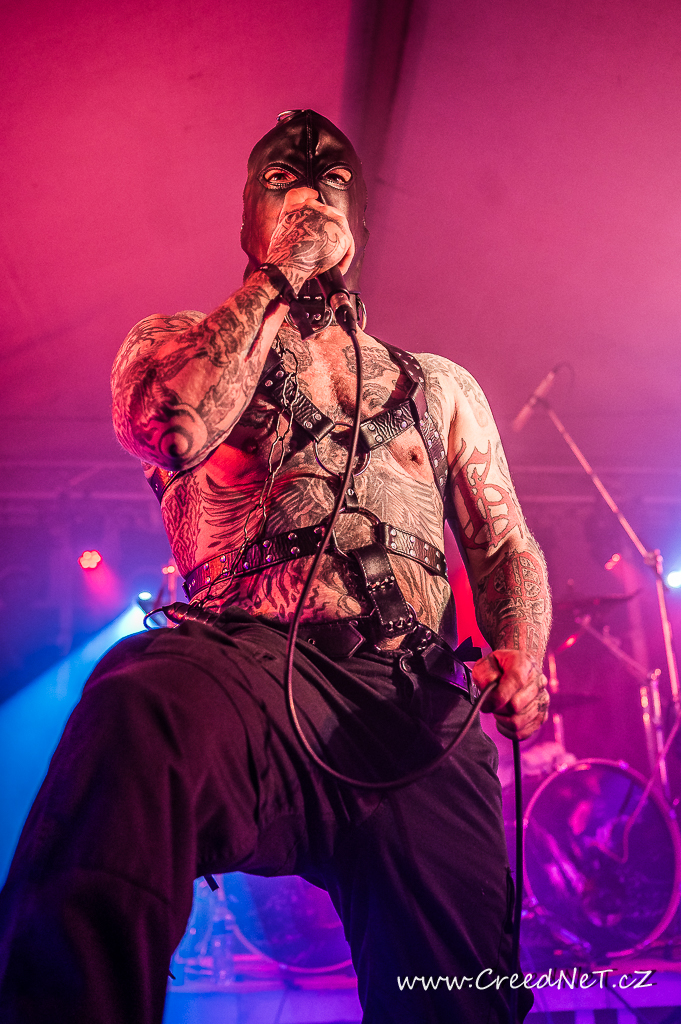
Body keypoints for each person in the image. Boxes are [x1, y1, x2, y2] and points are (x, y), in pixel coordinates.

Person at [0, 109, 551, 1023]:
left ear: (360, 224)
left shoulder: (441, 385)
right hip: (243, 664)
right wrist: (279, 274)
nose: (310, 194)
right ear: (248, 222)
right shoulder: (177, 339)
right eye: (282, 182)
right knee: (139, 704)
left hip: (412, 696)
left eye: (332, 183)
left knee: (460, 994)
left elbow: (505, 545)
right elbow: (171, 425)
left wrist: (521, 652)